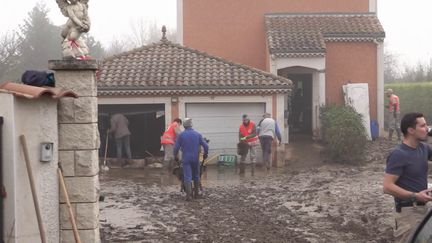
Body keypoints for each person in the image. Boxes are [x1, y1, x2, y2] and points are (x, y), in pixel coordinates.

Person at [383, 112, 432, 242]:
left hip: (423, 208)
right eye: (423, 126)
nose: (427, 128)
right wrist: (415, 196)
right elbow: (387, 187)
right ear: (411, 130)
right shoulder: (399, 154)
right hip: (408, 213)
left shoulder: (424, 148)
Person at [174, 118, 209, 201]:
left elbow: (175, 148)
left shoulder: (181, 135)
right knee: (196, 175)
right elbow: (206, 146)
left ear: (184, 125)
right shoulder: (197, 134)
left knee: (187, 177)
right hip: (195, 159)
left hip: (186, 159)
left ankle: (188, 196)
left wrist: (175, 156)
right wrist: (205, 154)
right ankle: (196, 194)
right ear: (191, 125)